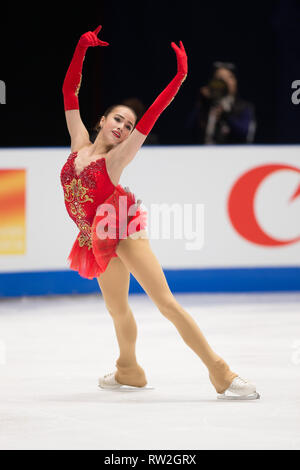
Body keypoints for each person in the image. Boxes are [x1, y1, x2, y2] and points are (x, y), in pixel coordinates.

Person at [60, 25, 260, 400]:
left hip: (122, 229)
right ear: (101, 120)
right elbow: (70, 91)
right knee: (117, 309)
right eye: (117, 119)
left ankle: (221, 372)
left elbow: (151, 116)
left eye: (128, 125)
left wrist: (180, 78)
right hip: (94, 238)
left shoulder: (116, 160)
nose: (123, 127)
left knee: (165, 303)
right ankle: (129, 369)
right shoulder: (78, 146)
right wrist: (82, 47)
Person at [185, 62, 256, 145]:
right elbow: (188, 131)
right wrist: (202, 104)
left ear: (235, 82)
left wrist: (225, 115)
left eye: (228, 78)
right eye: (219, 78)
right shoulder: (207, 105)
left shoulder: (244, 107)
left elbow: (245, 134)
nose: (223, 82)